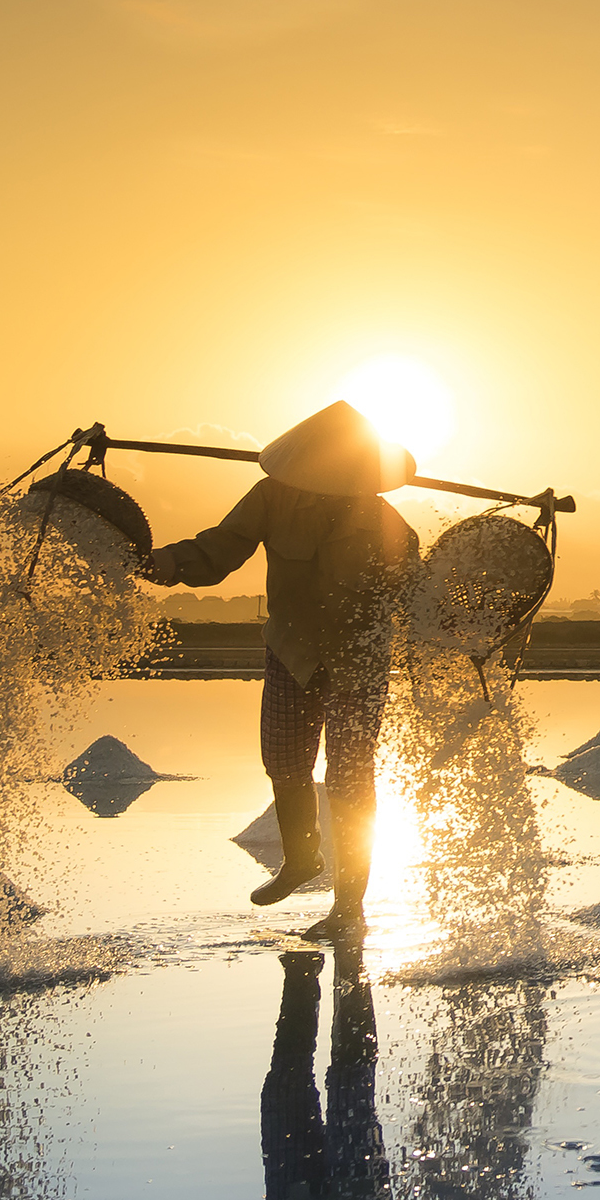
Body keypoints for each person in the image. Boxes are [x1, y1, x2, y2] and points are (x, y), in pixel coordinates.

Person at [142, 402, 420, 939]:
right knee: (285, 761)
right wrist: (159, 563)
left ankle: (348, 907)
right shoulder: (271, 497)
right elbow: (217, 550)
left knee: (350, 779)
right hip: (291, 647)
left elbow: (415, 591)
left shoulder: (384, 520)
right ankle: (301, 860)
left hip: (358, 657)